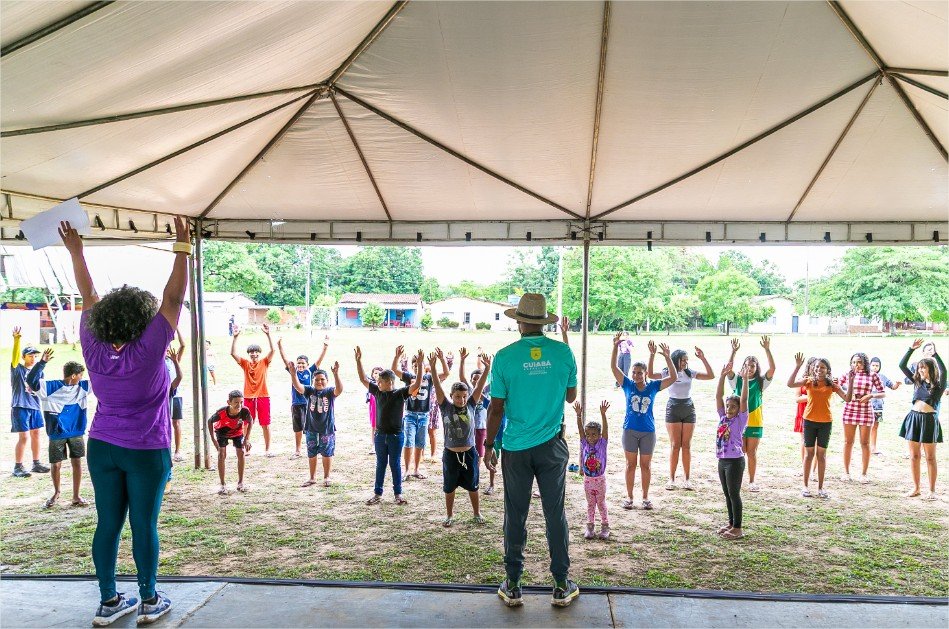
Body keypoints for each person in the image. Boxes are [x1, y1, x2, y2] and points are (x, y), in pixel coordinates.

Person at [60, 216, 189, 626]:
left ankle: (109, 601)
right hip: (146, 448)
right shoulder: (150, 347)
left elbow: (88, 292)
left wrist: (77, 253)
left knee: (108, 524)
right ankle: (150, 601)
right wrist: (182, 248)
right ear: (141, 320)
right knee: (144, 525)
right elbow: (172, 299)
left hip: (102, 448)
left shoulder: (92, 345)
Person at [484, 293, 579, 609]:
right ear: (543, 323)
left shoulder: (505, 357)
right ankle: (561, 584)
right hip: (551, 446)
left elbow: (496, 408)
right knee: (555, 514)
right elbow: (570, 396)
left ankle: (513, 585)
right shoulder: (563, 352)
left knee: (515, 514)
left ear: (520, 322)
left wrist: (489, 445)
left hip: (515, 448)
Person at [612, 338, 677, 511]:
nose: (636, 375)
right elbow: (614, 368)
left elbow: (673, 377)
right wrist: (614, 347)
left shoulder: (653, 386)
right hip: (630, 430)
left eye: (639, 373)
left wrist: (668, 357)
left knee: (646, 465)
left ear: (646, 374)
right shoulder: (627, 384)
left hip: (648, 431)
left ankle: (646, 497)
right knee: (630, 465)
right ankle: (629, 497)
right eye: (634, 372)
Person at [429, 351, 490, 527]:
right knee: (449, 487)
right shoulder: (445, 406)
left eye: (464, 396)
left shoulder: (471, 404)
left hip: (469, 453)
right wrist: (433, 366)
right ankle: (449, 515)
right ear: (451, 395)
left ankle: (477, 512)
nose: (462, 400)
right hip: (450, 454)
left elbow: (478, 388)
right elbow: (437, 385)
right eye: (458, 396)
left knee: (473, 485)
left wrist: (487, 368)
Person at [356, 346, 421, 505]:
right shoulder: (378, 392)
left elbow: (417, 384)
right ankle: (378, 493)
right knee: (381, 464)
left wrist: (419, 365)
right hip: (380, 435)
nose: (376, 383)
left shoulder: (400, 393)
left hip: (396, 436)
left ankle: (398, 494)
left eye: (380, 382)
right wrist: (359, 361)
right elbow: (363, 379)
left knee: (395, 464)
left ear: (389, 382)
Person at [26, 349, 90, 508]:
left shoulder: (82, 386)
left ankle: (76, 496)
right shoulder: (50, 387)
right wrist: (42, 363)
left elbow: (103, 377)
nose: (82, 377)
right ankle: (57, 493)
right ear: (73, 375)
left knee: (77, 462)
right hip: (56, 433)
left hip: (76, 432)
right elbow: (31, 380)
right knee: (56, 464)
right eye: (80, 374)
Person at [648, 346, 713, 491]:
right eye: (683, 360)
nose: (685, 362)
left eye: (687, 360)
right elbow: (650, 375)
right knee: (675, 445)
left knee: (687, 445)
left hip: (688, 408)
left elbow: (711, 375)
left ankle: (687, 479)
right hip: (673, 407)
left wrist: (702, 357)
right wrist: (652, 355)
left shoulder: (689, 373)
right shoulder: (667, 372)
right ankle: (671, 479)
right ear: (676, 360)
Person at [787, 354, 851, 498]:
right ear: (813, 369)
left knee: (821, 456)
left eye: (822, 367)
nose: (819, 369)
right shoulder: (808, 381)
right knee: (809, 454)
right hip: (809, 421)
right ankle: (805, 486)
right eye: (817, 367)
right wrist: (797, 366)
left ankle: (821, 488)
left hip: (825, 423)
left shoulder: (832, 384)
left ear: (827, 370)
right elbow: (790, 384)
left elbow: (847, 398)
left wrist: (850, 382)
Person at [726, 336, 776, 491]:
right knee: (740, 452)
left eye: (753, 366)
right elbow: (728, 369)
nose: (750, 368)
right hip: (738, 422)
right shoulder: (737, 380)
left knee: (752, 453)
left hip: (755, 421)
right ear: (743, 366)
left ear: (756, 368)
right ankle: (737, 480)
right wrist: (733, 352)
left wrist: (767, 349)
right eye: (747, 366)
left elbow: (773, 369)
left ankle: (752, 481)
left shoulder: (761, 382)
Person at [898, 339, 945, 500]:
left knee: (930, 457)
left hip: (929, 420)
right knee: (914, 456)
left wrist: (935, 354)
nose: (920, 370)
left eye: (923, 367)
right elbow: (902, 366)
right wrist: (911, 349)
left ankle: (931, 491)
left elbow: (944, 371)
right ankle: (916, 488)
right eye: (919, 367)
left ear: (930, 369)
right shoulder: (917, 382)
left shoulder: (939, 385)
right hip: (913, 418)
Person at [393, 344, 449, 479]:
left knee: (420, 443)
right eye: (415, 366)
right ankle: (407, 469)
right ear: (412, 367)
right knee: (408, 442)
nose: (417, 368)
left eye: (420, 366)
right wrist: (397, 356)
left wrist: (442, 359)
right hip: (410, 414)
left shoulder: (430, 378)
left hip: (424, 415)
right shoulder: (408, 377)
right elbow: (394, 370)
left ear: (426, 368)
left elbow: (446, 374)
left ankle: (416, 469)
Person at [290, 361, 343, 488]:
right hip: (311, 428)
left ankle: (326, 477)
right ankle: (312, 478)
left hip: (327, 429)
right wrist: (293, 374)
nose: (319, 382)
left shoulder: (330, 391)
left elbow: (339, 390)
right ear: (312, 381)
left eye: (322, 379)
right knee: (311, 453)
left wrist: (336, 374)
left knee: (327, 453)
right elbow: (298, 386)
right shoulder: (309, 390)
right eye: (316, 379)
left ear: (327, 380)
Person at [714, 361, 750, 539]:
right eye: (728, 406)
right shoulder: (723, 417)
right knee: (727, 493)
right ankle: (731, 523)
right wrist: (721, 376)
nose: (729, 409)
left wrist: (744, 380)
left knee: (734, 493)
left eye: (733, 407)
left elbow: (743, 400)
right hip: (722, 460)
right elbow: (718, 397)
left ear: (739, 410)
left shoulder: (740, 420)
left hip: (735, 461)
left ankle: (738, 528)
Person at [277, 336, 329, 459]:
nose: (300, 365)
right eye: (298, 363)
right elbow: (285, 359)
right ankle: (298, 450)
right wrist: (279, 346)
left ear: (307, 364)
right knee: (298, 428)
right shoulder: (293, 371)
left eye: (302, 363)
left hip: (309, 403)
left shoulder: (310, 371)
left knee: (312, 426)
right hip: (296, 404)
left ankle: (315, 447)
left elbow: (319, 360)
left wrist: (325, 347)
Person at [837, 352, 885, 483]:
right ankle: (846, 472)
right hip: (850, 408)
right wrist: (845, 394)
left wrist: (871, 396)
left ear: (865, 363)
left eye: (859, 362)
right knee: (848, 442)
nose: (856, 365)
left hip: (866, 410)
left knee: (865, 443)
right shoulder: (848, 374)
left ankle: (864, 474)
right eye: (853, 362)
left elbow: (882, 392)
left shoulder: (872, 375)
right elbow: (836, 385)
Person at [10, 327, 51, 478]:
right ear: (23, 357)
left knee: (36, 434)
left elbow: (41, 388)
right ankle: (18, 466)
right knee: (24, 437)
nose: (33, 358)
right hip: (20, 406)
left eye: (35, 356)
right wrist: (17, 340)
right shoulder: (17, 369)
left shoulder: (38, 371)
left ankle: (36, 463)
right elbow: (14, 357)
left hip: (35, 406)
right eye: (30, 356)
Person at [230, 323, 275, 456]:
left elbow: (273, 351)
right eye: (251, 352)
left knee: (265, 424)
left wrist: (268, 334)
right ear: (249, 354)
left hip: (263, 396)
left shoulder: (264, 362)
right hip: (248, 397)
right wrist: (235, 337)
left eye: (256, 352)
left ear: (259, 353)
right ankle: (245, 447)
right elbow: (232, 353)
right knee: (246, 423)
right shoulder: (245, 363)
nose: (254, 354)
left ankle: (267, 449)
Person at [459, 346, 495, 491]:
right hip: (470, 427)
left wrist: (489, 366)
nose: (475, 381)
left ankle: (479, 480)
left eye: (478, 379)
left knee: (482, 454)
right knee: (471, 454)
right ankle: (472, 478)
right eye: (473, 379)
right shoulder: (468, 390)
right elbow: (462, 378)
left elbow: (493, 379)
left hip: (482, 427)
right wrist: (462, 361)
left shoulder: (485, 390)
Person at [574, 399, 610, 540]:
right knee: (590, 504)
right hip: (588, 480)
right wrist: (578, 415)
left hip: (600, 480)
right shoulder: (585, 443)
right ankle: (590, 527)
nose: (590, 437)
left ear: (599, 435)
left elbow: (606, 430)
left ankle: (605, 527)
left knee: (600, 503)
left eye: (594, 434)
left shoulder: (602, 443)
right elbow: (580, 432)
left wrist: (603, 415)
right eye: (588, 434)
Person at [207, 390, 251, 495]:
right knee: (221, 455)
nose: (239, 405)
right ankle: (222, 485)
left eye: (241, 402)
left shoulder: (244, 411)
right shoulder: (221, 412)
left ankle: (240, 483)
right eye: (236, 402)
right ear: (229, 402)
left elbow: (251, 420)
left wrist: (247, 438)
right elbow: (209, 421)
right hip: (222, 432)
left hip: (237, 432)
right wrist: (213, 440)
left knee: (241, 453)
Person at [869, 357, 901, 455]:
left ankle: (873, 447)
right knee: (866, 426)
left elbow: (892, 387)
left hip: (878, 406)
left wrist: (897, 384)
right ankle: (866, 446)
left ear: (880, 366)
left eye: (877, 366)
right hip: (867, 406)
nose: (875, 367)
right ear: (869, 365)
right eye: (873, 365)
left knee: (875, 426)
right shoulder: (866, 376)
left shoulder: (883, 377)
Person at [793, 357, 819, 472]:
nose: (816, 368)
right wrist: (811, 397)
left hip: (817, 413)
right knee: (804, 441)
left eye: (818, 366)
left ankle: (813, 470)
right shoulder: (802, 380)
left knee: (817, 443)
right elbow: (797, 398)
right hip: (803, 413)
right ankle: (804, 468)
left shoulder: (821, 381)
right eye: (813, 365)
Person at [165, 329, 185, 462]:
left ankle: (177, 451)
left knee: (176, 422)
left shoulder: (173, 361)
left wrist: (177, 328)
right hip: (163, 395)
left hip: (176, 394)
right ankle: (166, 448)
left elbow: (183, 345)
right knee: (164, 423)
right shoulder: (156, 362)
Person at [366, 366, 383, 454]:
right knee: (374, 426)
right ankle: (373, 446)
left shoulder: (384, 385)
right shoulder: (371, 385)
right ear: (372, 375)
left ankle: (381, 445)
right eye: (375, 373)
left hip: (382, 408)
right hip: (373, 407)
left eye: (379, 373)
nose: (377, 375)